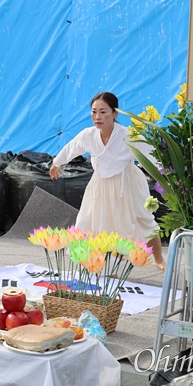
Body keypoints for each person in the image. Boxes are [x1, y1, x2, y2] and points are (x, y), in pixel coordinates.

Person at [49, 92, 166, 270]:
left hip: (127, 183)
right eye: (94, 111)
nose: (98, 117)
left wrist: (166, 171)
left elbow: (151, 153)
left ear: (115, 113)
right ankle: (97, 264)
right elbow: (72, 148)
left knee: (143, 219)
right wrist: (56, 163)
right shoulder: (88, 135)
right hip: (100, 184)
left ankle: (158, 258)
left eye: (103, 112)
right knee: (89, 220)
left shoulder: (128, 135)